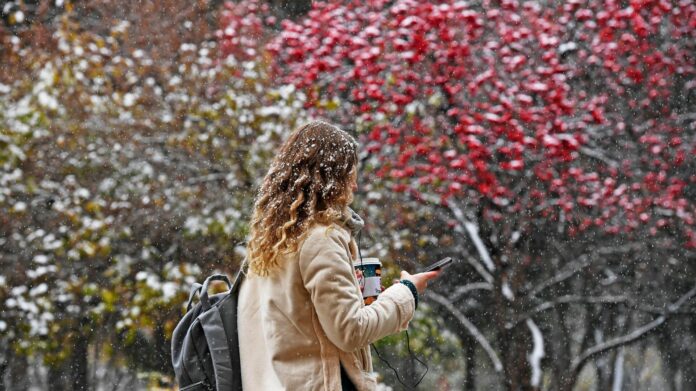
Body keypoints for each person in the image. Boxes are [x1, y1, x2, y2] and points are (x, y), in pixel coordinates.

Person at [237, 120, 440, 390]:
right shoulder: (320, 240)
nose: (354, 185)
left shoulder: (271, 241)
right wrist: (406, 292)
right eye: (350, 174)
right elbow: (350, 331)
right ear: (330, 178)